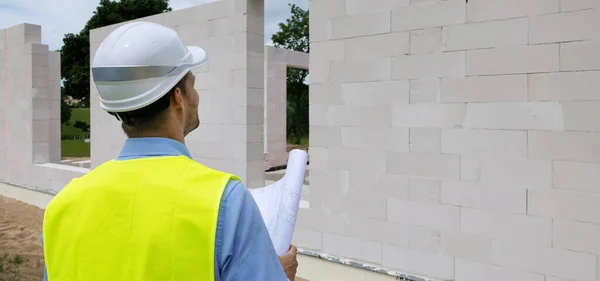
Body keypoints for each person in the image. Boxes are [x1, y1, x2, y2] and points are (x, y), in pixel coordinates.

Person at [41, 22, 298, 281]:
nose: (196, 97)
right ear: (177, 97)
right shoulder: (225, 202)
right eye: (192, 86)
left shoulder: (62, 206)